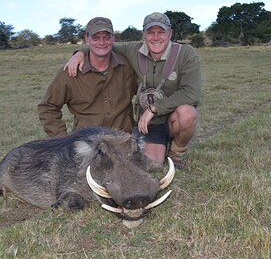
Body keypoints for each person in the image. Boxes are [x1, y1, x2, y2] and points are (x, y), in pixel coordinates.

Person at [65, 12, 201, 169]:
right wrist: (80, 53)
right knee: (152, 165)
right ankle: (161, 146)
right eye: (150, 32)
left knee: (187, 113)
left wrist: (154, 108)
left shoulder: (186, 53)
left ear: (170, 33)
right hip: (149, 125)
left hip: (171, 119)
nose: (156, 37)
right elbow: (103, 46)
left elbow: (191, 94)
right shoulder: (132, 51)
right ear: (143, 34)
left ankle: (176, 154)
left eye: (161, 32)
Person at [38, 17, 136, 137]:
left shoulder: (127, 67)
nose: (102, 42)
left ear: (113, 39)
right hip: (86, 143)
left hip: (123, 139)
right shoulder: (70, 72)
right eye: (95, 38)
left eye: (106, 37)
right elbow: (48, 107)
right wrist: (62, 141)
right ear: (87, 40)